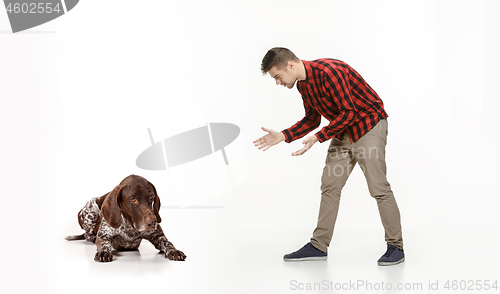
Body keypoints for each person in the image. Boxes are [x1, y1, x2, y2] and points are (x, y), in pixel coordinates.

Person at [253, 47, 404, 266]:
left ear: (290, 65)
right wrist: (284, 135)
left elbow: (349, 112)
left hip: (369, 126)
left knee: (378, 187)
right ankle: (318, 246)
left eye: (277, 76)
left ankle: (396, 246)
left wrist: (319, 138)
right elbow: (312, 119)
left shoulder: (330, 71)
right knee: (329, 186)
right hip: (343, 131)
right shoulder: (303, 85)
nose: (278, 82)